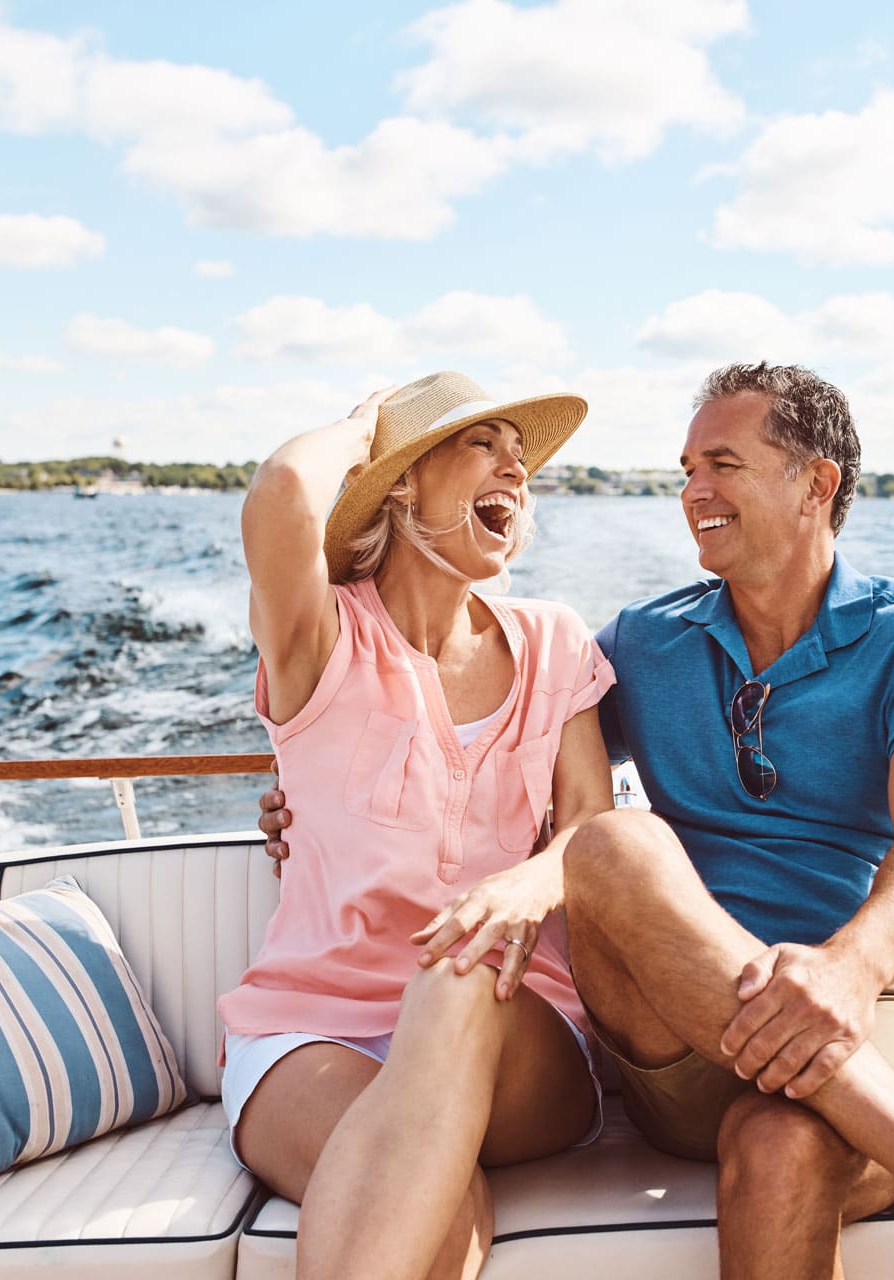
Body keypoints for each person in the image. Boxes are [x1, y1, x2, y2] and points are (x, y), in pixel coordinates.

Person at [260, 363, 894, 1280]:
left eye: (723, 464)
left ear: (817, 483)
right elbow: (493, 752)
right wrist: (311, 797)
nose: (693, 491)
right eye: (686, 468)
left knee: (782, 1144)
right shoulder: (642, 644)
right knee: (618, 839)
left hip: (893, 1003)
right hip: (685, 1035)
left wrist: (849, 971)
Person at [222, 370, 618, 1280]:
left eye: (524, 461)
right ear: (401, 482)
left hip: (520, 1022)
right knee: (438, 1216)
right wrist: (367, 429)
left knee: (463, 977)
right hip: (313, 1027)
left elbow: (590, 826)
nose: (516, 473)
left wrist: (529, 881)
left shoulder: (557, 641)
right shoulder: (321, 637)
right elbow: (284, 493)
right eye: (485, 445)